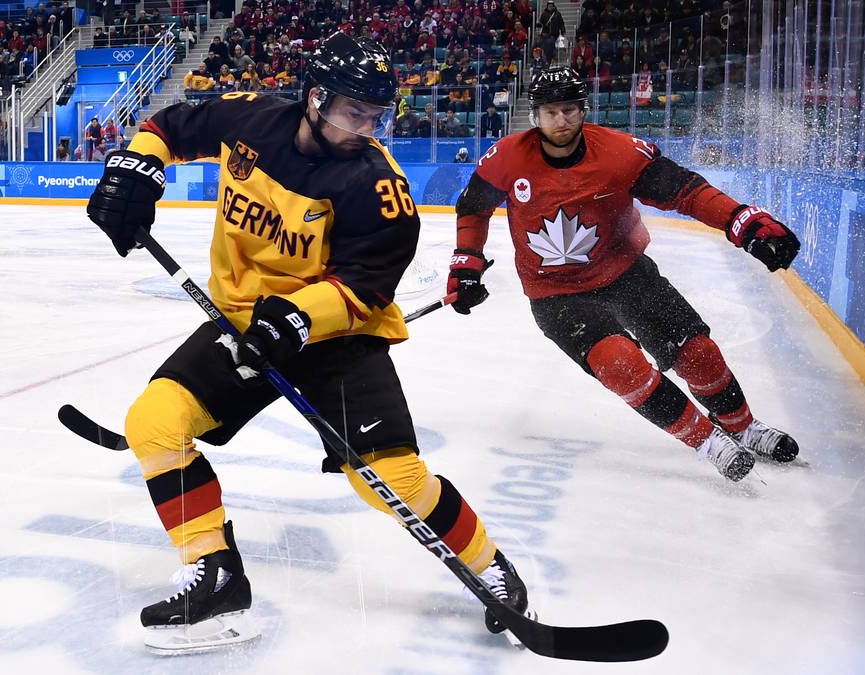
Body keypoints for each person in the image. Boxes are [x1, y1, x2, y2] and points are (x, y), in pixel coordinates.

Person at [85, 32, 533, 655]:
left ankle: (490, 565)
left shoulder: (379, 188)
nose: (367, 127)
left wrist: (296, 318)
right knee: (155, 422)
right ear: (315, 99)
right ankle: (214, 572)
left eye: (378, 116)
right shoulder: (251, 119)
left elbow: (365, 289)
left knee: (390, 480)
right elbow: (170, 125)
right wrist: (135, 168)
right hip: (244, 323)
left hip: (338, 336)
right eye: (356, 112)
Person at [448, 68, 801, 482]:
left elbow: (685, 191)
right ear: (535, 116)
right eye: (549, 112)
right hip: (555, 295)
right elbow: (474, 207)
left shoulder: (619, 153)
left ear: (583, 111)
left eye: (569, 110)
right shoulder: (506, 157)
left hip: (627, 272)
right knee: (618, 362)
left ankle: (743, 425)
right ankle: (709, 441)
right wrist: (466, 264)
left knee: (698, 353)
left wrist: (742, 221)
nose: (560, 121)